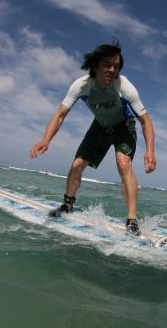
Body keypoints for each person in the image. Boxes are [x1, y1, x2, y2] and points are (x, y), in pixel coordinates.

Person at [29, 41, 156, 236]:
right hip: (100, 126)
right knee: (77, 165)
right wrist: (45, 140)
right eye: (107, 64)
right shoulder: (81, 86)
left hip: (124, 125)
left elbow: (146, 121)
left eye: (116, 66)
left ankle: (132, 220)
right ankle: (67, 205)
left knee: (124, 164)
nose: (112, 70)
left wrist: (150, 151)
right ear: (95, 65)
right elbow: (60, 114)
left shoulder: (125, 86)